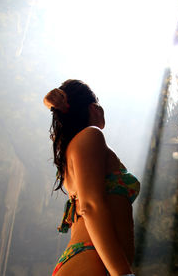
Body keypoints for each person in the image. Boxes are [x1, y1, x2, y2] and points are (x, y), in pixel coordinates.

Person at [43, 79, 140, 276]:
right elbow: (90, 205)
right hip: (91, 259)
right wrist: (123, 273)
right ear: (94, 108)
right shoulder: (90, 135)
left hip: (90, 260)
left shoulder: (77, 148)